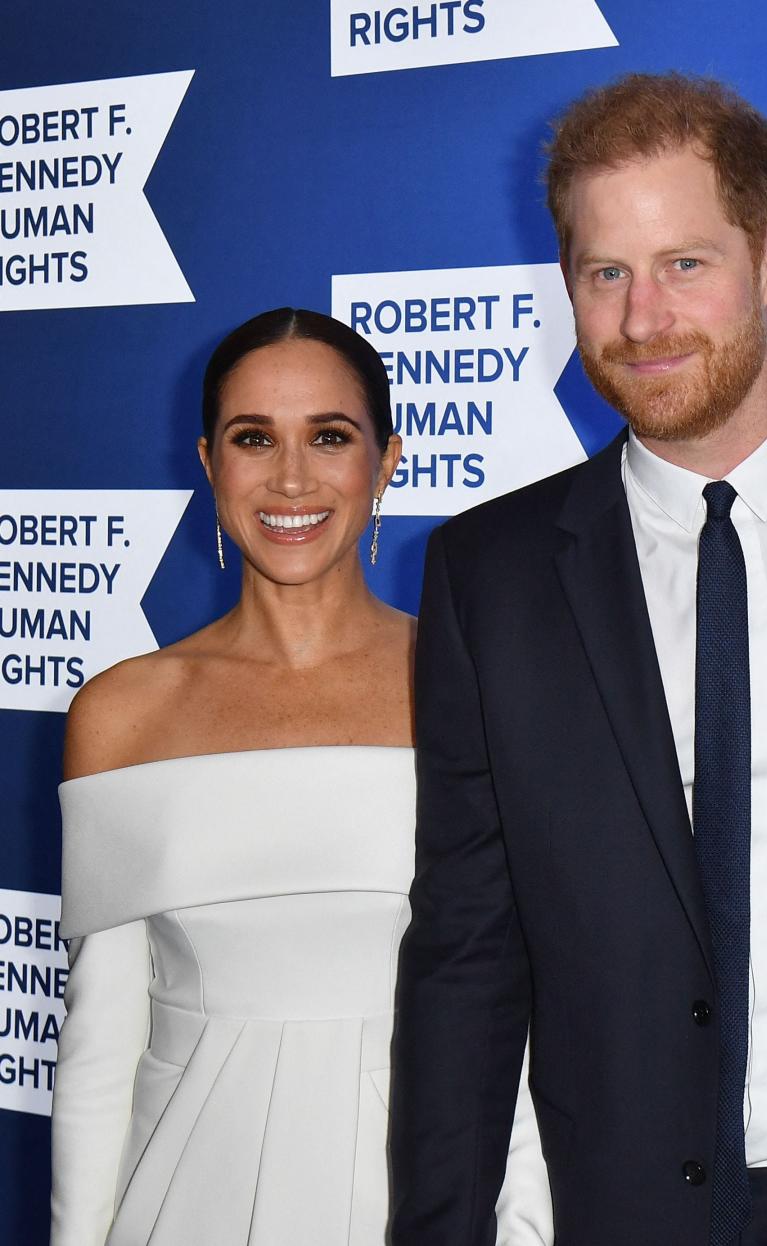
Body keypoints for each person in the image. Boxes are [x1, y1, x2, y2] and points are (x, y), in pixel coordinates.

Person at [390, 73, 767, 1246]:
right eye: (607, 273)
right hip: (629, 1212)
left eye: (685, 264)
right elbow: (466, 951)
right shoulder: (488, 575)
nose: (643, 320)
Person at [50, 308, 553, 1246]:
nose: (290, 477)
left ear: (387, 461)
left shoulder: (480, 689)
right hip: (183, 1198)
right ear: (208, 463)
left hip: (421, 1198)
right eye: (254, 439)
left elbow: (522, 1030)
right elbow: (99, 1048)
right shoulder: (123, 716)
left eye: (329, 436)